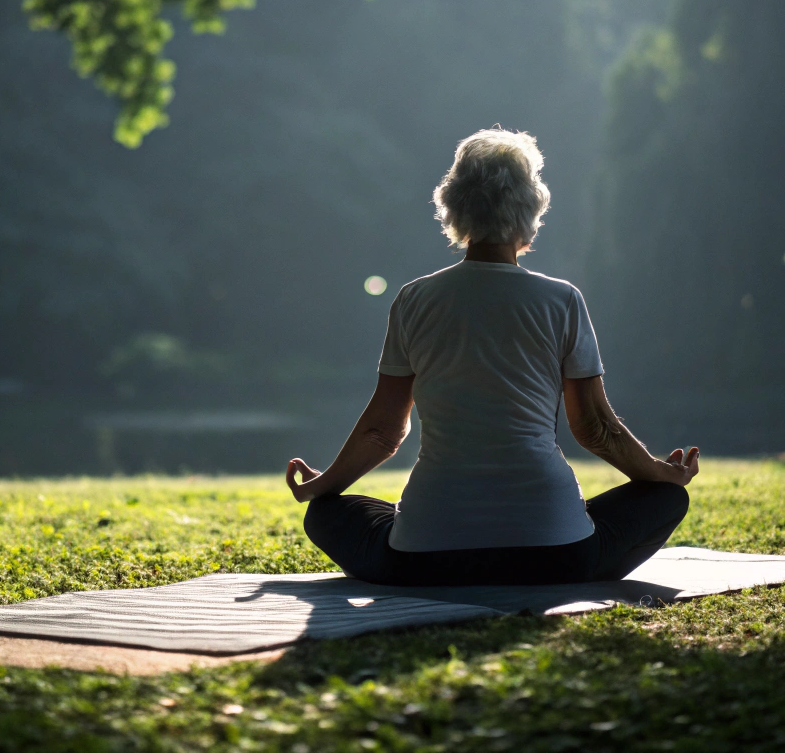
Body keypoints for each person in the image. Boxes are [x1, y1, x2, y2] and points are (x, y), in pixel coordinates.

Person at [285, 127, 699, 586]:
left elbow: (383, 432)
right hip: (557, 554)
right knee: (666, 500)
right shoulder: (562, 300)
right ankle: (564, 558)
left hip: (424, 559)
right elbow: (596, 430)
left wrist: (322, 486)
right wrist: (663, 475)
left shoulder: (413, 299)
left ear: (454, 208)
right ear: (532, 211)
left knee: (327, 513)